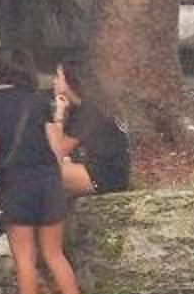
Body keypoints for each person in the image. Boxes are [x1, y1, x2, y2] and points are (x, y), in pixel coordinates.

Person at [0, 51, 86, 294]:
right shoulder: (39, 101)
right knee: (55, 254)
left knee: (25, 258)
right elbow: (56, 149)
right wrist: (59, 117)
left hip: (18, 184)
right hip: (49, 183)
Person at [48, 57, 134, 198]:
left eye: (58, 77)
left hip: (105, 176)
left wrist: (59, 115)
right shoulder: (83, 108)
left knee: (42, 174)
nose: (54, 81)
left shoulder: (89, 111)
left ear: (70, 81)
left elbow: (57, 151)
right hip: (98, 170)